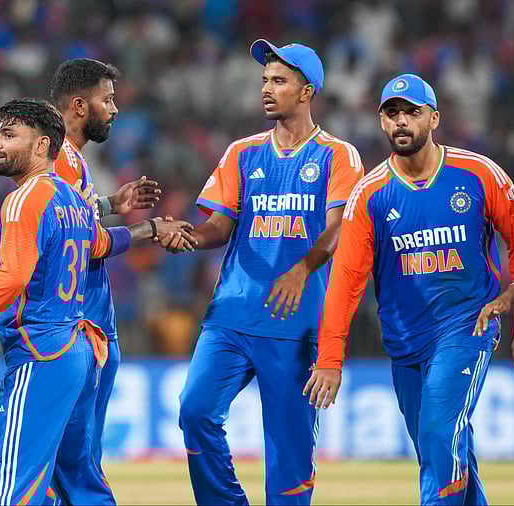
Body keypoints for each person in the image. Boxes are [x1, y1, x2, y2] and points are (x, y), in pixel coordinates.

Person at [0, 98, 194, 506]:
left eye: (9, 134)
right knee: (77, 482)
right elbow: (101, 243)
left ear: (40, 146)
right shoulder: (71, 199)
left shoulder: (23, 199)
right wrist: (148, 228)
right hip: (79, 351)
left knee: (14, 487)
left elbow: (12, 277)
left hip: (41, 351)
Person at [305, 74, 514, 505]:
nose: (401, 121)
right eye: (392, 113)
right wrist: (330, 358)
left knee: (439, 432)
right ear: (382, 122)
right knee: (439, 448)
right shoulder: (370, 194)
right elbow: (346, 280)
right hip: (405, 342)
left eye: (411, 112)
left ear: (434, 118)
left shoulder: (477, 173)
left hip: (468, 325)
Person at [172, 40, 363, 505]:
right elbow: (219, 224)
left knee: (289, 456)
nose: (266, 89)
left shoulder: (338, 155)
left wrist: (302, 268)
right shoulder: (242, 152)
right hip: (231, 316)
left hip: (296, 326)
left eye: (278, 81)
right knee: (194, 411)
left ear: (306, 90)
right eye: (264, 80)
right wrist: (192, 237)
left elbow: (340, 230)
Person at [48, 57, 163, 503]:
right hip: (79, 327)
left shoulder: (71, 161)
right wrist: (149, 230)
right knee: (75, 464)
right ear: (79, 106)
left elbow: (73, 218)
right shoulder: (58, 159)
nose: (114, 109)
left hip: (93, 327)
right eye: (107, 99)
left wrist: (110, 203)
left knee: (76, 459)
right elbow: (82, 241)